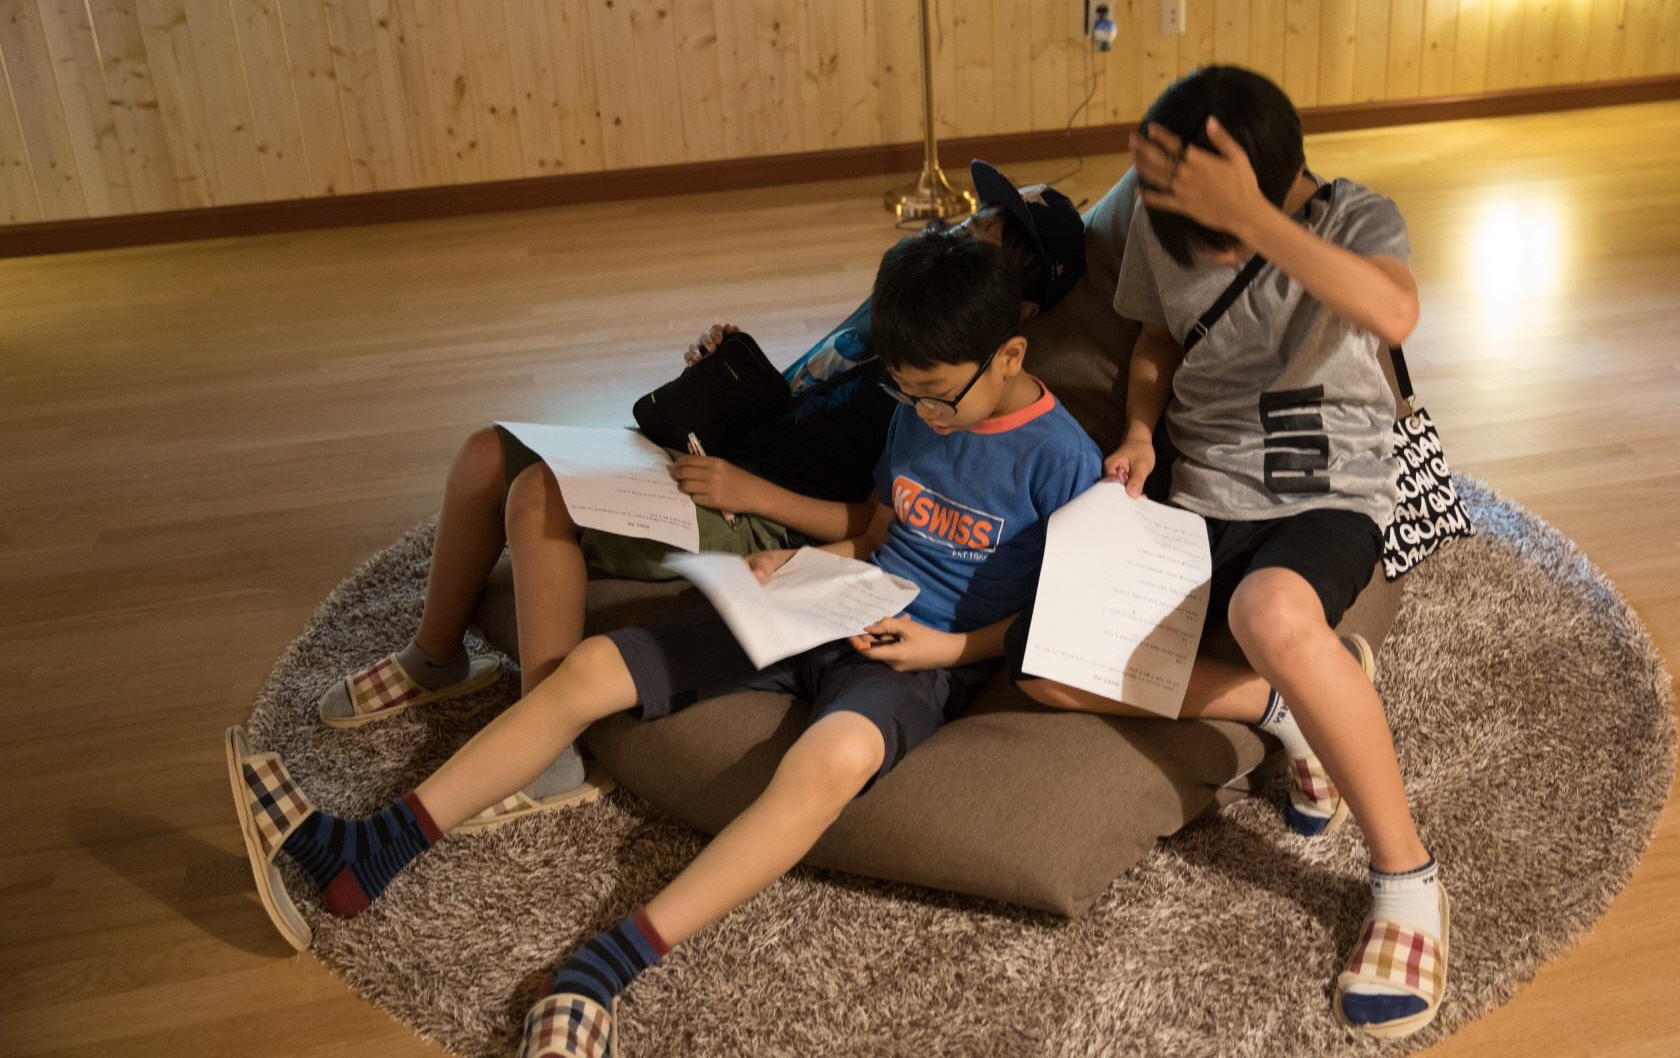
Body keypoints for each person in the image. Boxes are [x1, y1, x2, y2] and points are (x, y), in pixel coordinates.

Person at [230, 225, 1103, 1057]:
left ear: (1010, 355)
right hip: (833, 598)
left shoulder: (1063, 458)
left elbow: (1056, 618)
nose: (924, 413)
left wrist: (945, 653)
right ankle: (372, 847)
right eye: (909, 394)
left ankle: (597, 976)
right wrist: (800, 563)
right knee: (588, 670)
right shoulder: (916, 412)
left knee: (831, 763)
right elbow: (879, 532)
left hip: (924, 651)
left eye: (938, 394)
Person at [312, 160, 1086, 823]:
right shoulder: (903, 311)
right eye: (976, 219)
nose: (964, 230)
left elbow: (885, 523)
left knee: (537, 495)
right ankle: (433, 659)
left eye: (988, 237)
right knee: (486, 455)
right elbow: (809, 397)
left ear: (1011, 319)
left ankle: (548, 750)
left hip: (754, 502)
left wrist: (755, 494)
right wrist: (736, 379)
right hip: (720, 451)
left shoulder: (945, 400)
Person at [1005, 65, 1446, 1040]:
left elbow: (1394, 314)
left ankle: (1408, 880)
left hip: (1325, 492)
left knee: (1268, 612)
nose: (1205, 245)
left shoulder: (1356, 217)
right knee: (1041, 655)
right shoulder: (1162, 217)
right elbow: (1157, 338)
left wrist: (1253, 218)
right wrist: (1139, 432)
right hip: (1204, 496)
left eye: (1222, 225)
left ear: (1279, 182)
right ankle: (1288, 704)